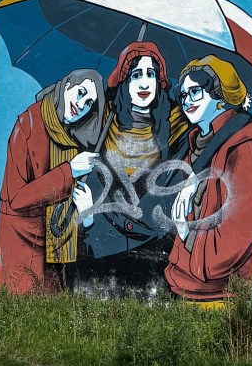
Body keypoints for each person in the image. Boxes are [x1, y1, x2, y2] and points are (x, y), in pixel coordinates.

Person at [164, 55, 252, 303]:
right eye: (184, 95)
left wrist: (187, 235)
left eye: (195, 92)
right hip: (182, 283)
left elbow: (245, 226)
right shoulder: (196, 147)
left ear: (219, 97)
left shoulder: (241, 147)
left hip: (218, 294)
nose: (187, 101)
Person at [72, 41, 186, 288]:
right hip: (103, 247)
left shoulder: (177, 125)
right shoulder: (103, 124)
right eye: (136, 75)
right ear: (124, 81)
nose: (145, 83)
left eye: (151, 74)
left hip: (156, 252)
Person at [0, 68, 105, 294]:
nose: (82, 104)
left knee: (52, 317)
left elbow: (65, 216)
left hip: (55, 249)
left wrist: (87, 215)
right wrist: (69, 171)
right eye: (81, 92)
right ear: (66, 86)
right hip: (21, 244)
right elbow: (17, 199)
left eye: (89, 103)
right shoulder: (28, 124)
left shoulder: (73, 139)